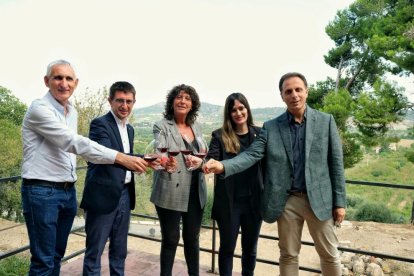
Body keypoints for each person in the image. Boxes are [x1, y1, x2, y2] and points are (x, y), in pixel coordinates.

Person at [204, 72, 346, 276]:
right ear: (282, 96)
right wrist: (223, 166)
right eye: (288, 91)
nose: (294, 95)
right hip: (287, 201)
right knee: (288, 255)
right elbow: (251, 155)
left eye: (298, 89)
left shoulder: (326, 121)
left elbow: (336, 164)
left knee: (329, 254)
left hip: (321, 200)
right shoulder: (271, 127)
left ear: (307, 91)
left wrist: (339, 202)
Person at [21, 60, 148, 276]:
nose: (64, 83)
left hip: (67, 190)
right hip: (41, 191)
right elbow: (73, 142)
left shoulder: (72, 112)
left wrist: (151, 160)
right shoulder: (39, 109)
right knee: (43, 261)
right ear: (46, 81)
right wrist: (121, 158)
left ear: (76, 83)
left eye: (69, 78)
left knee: (56, 256)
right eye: (58, 78)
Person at [80, 81, 147, 275]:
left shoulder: (131, 129)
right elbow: (108, 155)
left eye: (129, 101)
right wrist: (135, 161)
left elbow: (129, 156)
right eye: (119, 100)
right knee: (95, 253)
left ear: (134, 102)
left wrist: (153, 160)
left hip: (125, 195)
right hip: (102, 197)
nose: (124, 106)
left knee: (119, 251)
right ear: (110, 101)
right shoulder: (99, 124)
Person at [150, 84, 207, 276]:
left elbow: (203, 153)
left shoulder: (197, 126)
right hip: (170, 189)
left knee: (192, 239)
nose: (183, 101)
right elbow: (160, 149)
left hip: (195, 191)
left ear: (193, 105)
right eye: (179, 97)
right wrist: (165, 162)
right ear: (172, 102)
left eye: (187, 98)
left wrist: (201, 161)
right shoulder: (162, 126)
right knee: (171, 239)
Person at [207, 93, 263, 276]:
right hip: (229, 204)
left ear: (247, 109)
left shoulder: (260, 134)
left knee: (250, 249)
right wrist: (205, 164)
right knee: (227, 249)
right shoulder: (219, 136)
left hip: (254, 202)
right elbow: (211, 159)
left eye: (241, 108)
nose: (238, 113)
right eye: (233, 110)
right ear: (228, 113)